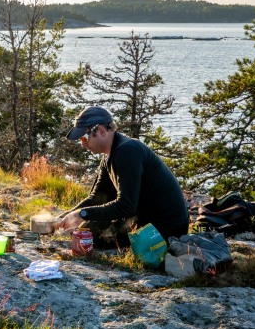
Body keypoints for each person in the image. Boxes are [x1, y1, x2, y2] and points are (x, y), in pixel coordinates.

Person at [56, 106, 189, 247]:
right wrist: (67, 215)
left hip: (166, 230)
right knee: (86, 229)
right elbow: (97, 197)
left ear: (101, 131)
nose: (83, 144)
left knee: (90, 236)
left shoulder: (128, 151)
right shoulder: (109, 155)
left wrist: (82, 214)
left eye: (84, 137)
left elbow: (126, 206)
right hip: (144, 219)